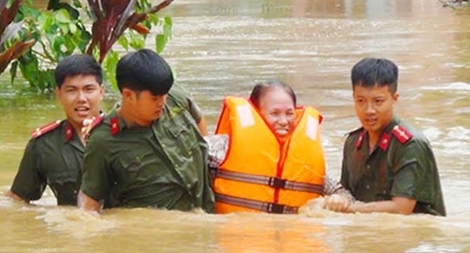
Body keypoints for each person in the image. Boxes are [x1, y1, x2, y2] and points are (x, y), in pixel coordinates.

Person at [78, 49, 215, 213]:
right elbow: (91, 202)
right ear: (128, 95)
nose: (163, 103)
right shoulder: (103, 141)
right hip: (163, 232)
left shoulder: (172, 96)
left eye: (164, 95)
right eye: (155, 98)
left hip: (205, 214)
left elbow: (199, 118)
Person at [206, 80, 352, 214]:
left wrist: (338, 200)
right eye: (275, 113)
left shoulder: (307, 158)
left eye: (289, 113)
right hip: (238, 236)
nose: (283, 121)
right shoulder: (222, 147)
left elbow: (342, 193)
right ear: (257, 113)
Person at [324, 57, 446, 216]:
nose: (369, 110)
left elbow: (402, 208)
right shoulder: (353, 143)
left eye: (378, 101)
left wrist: (350, 209)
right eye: (361, 101)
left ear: (394, 99)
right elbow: (346, 195)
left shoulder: (410, 144)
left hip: (414, 238)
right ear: (353, 98)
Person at [6, 54, 104, 205]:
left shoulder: (125, 135)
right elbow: (17, 201)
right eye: (72, 90)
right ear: (58, 94)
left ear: (101, 92)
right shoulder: (44, 145)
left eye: (89, 89)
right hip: (70, 227)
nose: (81, 98)